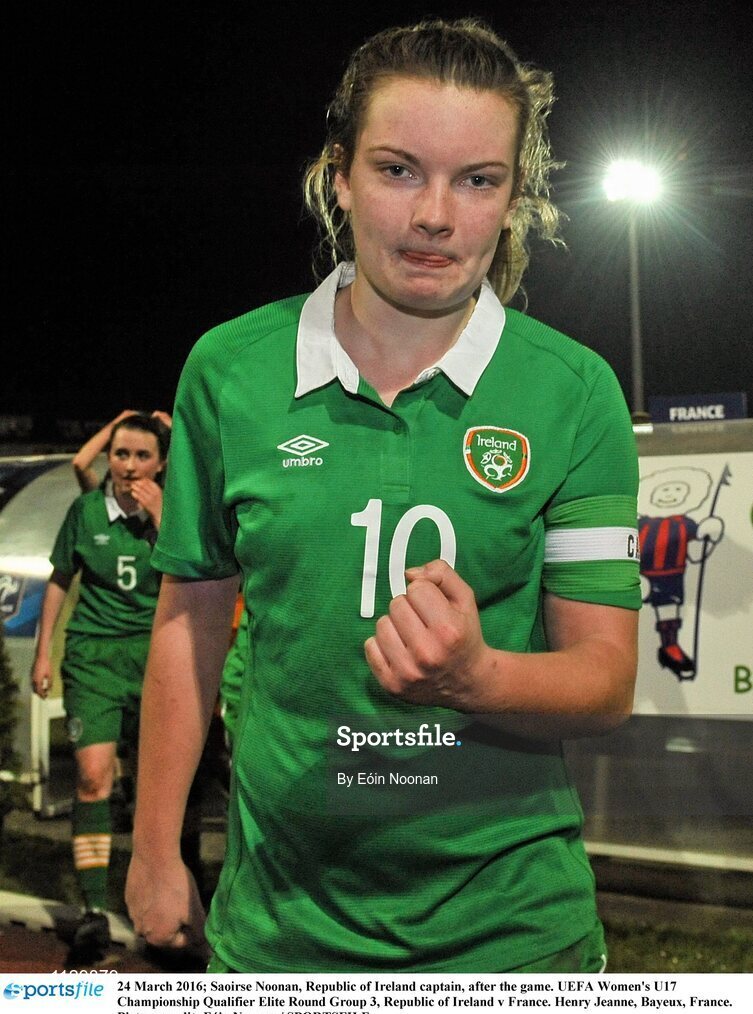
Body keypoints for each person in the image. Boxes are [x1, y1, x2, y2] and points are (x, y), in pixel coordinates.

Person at [126, 18, 641, 973]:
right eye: (399, 169)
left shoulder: (574, 392)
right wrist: (155, 850)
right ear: (338, 175)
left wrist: (476, 678)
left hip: (513, 945)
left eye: (478, 179)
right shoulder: (230, 370)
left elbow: (605, 680)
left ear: (514, 197)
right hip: (280, 941)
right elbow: (188, 623)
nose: (436, 215)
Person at [32, 412, 170, 961]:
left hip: (158, 660)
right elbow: (60, 580)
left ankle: (170, 909)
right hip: (93, 657)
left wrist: (164, 518)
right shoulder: (86, 509)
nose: (130, 466)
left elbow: (204, 571)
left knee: (162, 788)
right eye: (121, 454)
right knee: (93, 777)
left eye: (142, 456)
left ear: (161, 463)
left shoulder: (175, 513)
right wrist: (44, 652)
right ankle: (93, 912)